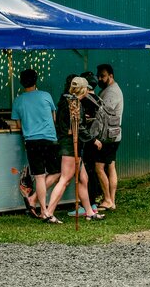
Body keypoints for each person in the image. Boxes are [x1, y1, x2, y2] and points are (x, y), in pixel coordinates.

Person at [43, 76, 105, 223]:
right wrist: (92, 139)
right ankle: (49, 213)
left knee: (83, 179)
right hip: (70, 146)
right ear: (83, 89)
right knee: (65, 179)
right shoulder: (73, 103)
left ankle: (89, 212)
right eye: (87, 89)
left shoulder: (67, 101)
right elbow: (77, 127)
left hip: (71, 144)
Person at [11, 69, 61, 219]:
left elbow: (18, 126)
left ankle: (39, 206)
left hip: (31, 141)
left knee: (39, 176)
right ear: (36, 80)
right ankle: (37, 204)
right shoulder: (46, 95)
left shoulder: (18, 100)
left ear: (21, 82)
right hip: (49, 138)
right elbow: (54, 118)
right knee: (57, 172)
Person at [67, 71, 102, 217]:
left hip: (85, 141)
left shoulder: (82, 101)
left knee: (82, 175)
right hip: (91, 139)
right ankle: (91, 206)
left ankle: (87, 205)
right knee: (88, 173)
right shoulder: (97, 99)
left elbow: (78, 126)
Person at [95, 64, 124, 211]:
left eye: (103, 75)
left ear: (111, 76)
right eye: (99, 75)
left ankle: (107, 199)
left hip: (107, 137)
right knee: (111, 166)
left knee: (99, 167)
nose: (100, 78)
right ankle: (112, 200)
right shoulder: (110, 90)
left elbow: (103, 114)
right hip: (114, 135)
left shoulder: (111, 92)